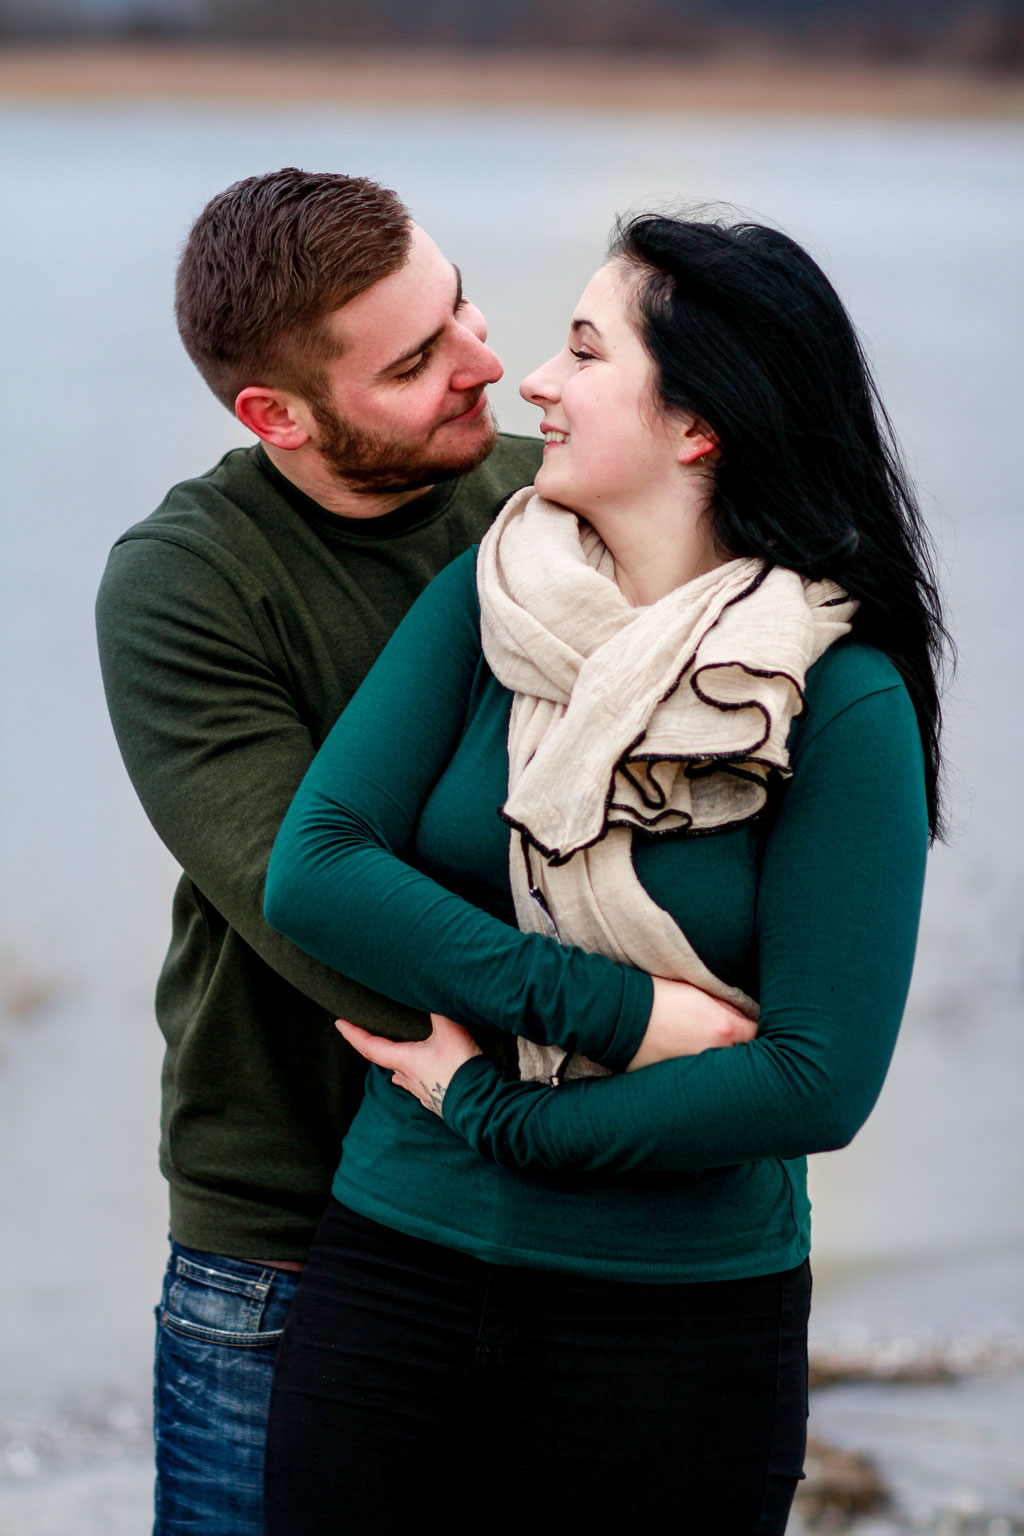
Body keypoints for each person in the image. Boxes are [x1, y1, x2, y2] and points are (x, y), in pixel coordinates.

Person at [261, 212, 947, 1535]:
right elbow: (319, 868)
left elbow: (816, 1077)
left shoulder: (832, 698)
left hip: (679, 1332)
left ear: (700, 428)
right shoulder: (489, 596)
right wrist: (619, 1017)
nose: (533, 382)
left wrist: (503, 1117)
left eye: (585, 351)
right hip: (393, 1283)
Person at [94, 167, 546, 1536]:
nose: (487, 365)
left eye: (459, 305)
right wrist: (642, 1041)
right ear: (274, 416)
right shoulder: (189, 581)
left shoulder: (557, 512)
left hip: (563, 1211)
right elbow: (322, 912)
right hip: (285, 1237)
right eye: (417, 363)